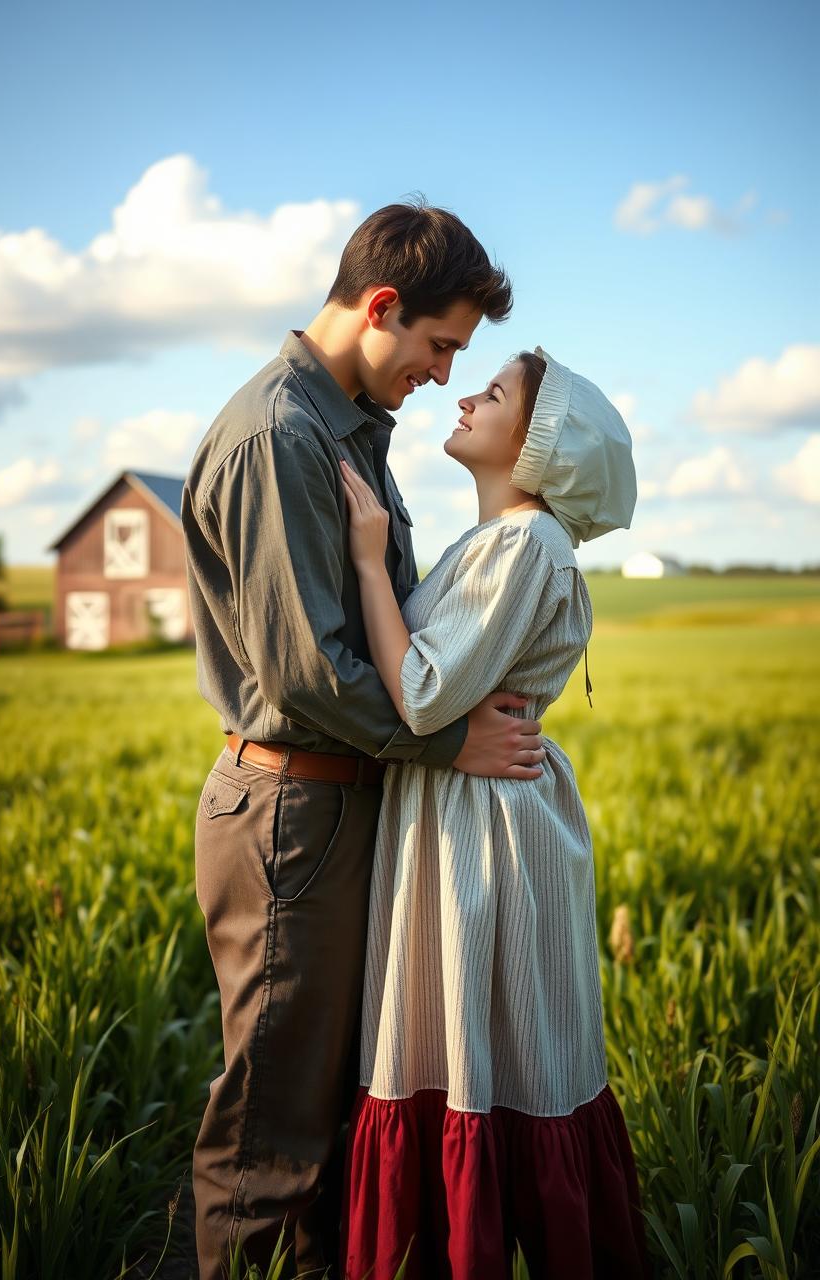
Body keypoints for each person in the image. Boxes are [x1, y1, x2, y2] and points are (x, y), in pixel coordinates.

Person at [180, 201, 550, 1279]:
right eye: (439, 345)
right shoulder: (279, 436)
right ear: (380, 307)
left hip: (344, 803)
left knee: (334, 1120)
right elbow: (305, 676)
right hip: (292, 814)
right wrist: (450, 744)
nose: (443, 373)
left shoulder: (343, 425)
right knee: (270, 1142)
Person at [339, 347, 651, 1279]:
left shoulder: (522, 544)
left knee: (479, 1039)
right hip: (467, 806)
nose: (466, 393)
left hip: (483, 823)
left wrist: (364, 563)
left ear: (539, 446)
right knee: (491, 1037)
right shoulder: (498, 543)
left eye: (497, 393)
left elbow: (427, 695)